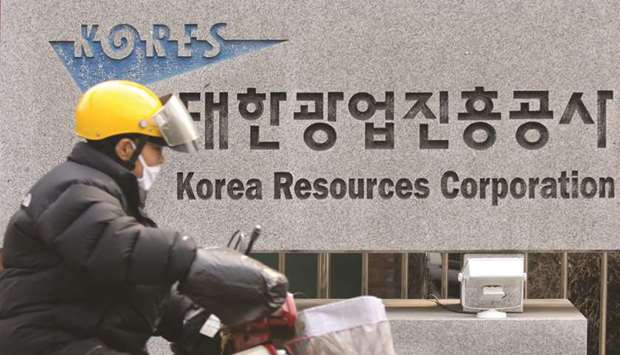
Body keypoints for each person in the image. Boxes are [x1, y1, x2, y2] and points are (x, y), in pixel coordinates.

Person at [0, 80, 288, 355]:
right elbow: (117, 245)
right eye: (156, 149)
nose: (160, 161)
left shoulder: (106, 195)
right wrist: (193, 261)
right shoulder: (72, 189)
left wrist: (194, 322)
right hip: (48, 343)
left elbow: (133, 284)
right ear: (126, 148)